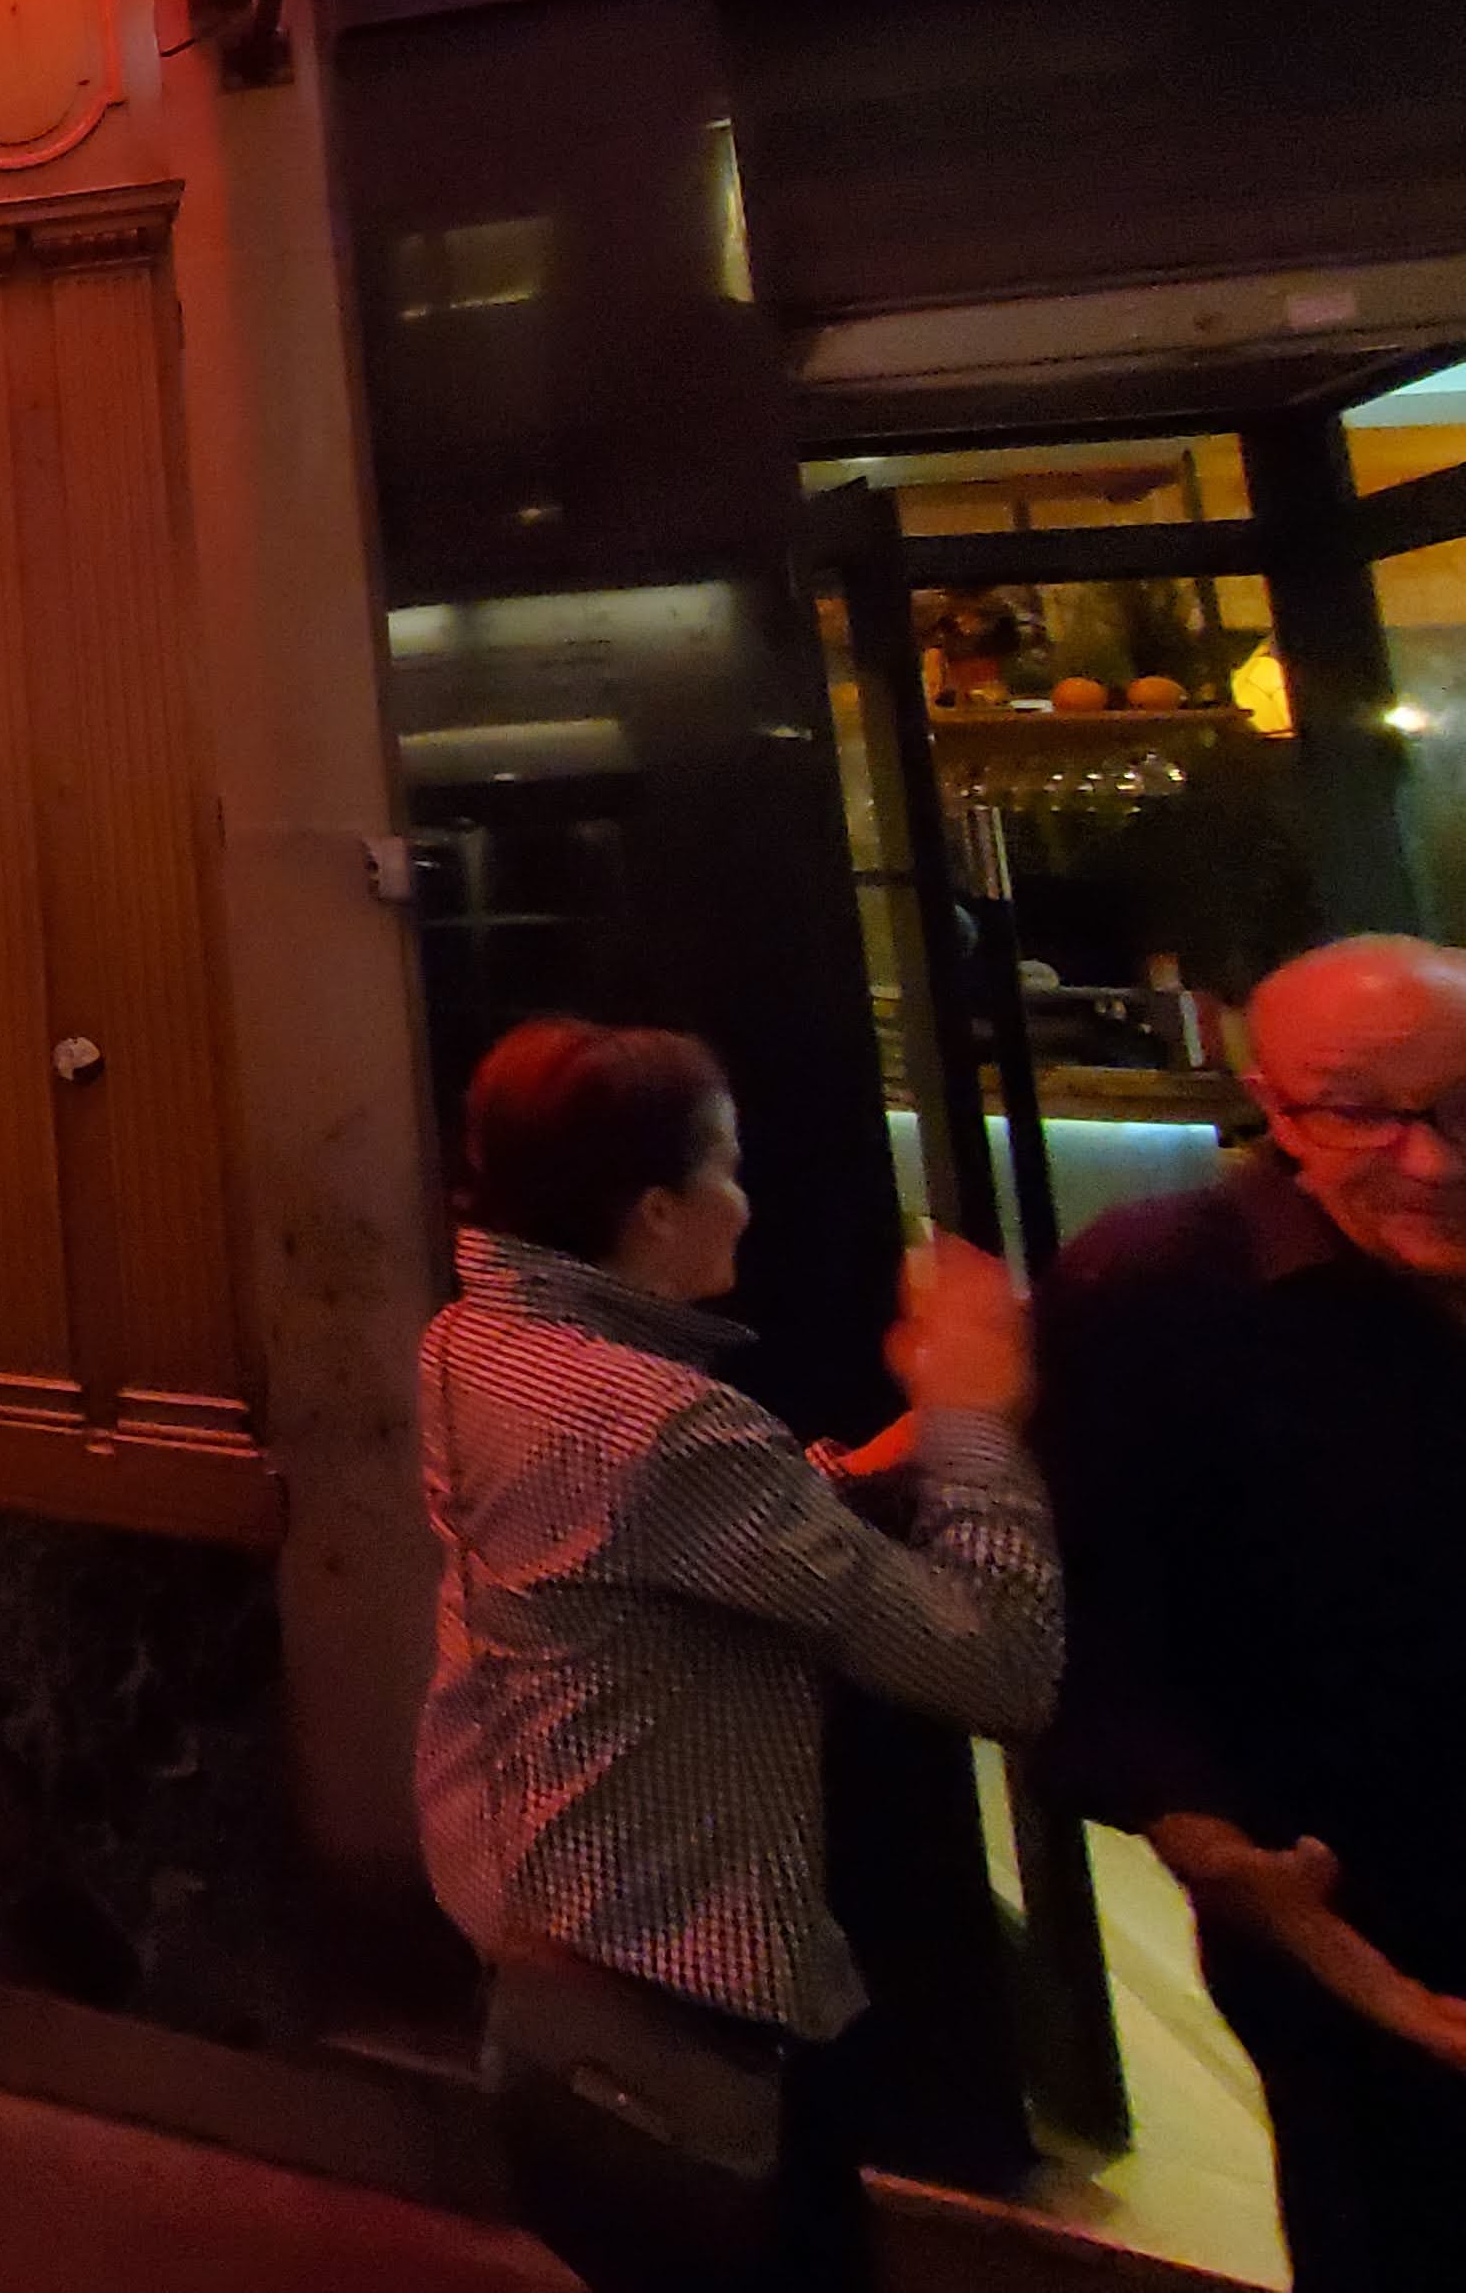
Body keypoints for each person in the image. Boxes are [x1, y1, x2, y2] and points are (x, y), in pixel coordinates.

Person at [419, 1018, 1059, 2292]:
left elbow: (650, 1544)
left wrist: (868, 1463)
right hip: (681, 1995)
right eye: (728, 1165)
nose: (745, 1200)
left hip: (550, 1945)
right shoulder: (660, 1423)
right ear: (655, 1211)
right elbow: (995, 1667)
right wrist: (976, 1422)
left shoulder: (476, 1343)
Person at [1038, 934, 1466, 2291]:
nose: (1430, 1161)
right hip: (1367, 1918)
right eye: (1357, 1114)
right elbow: (1102, 1648)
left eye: (1463, 1108)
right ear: (1273, 1108)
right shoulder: (1161, 1295)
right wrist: (1251, 1883)